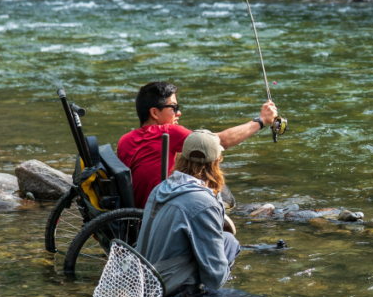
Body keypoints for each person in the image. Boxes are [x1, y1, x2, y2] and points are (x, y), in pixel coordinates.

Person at [117, 81, 277, 208]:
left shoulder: (125, 139)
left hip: (133, 218)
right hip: (155, 217)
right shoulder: (168, 132)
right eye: (174, 107)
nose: (178, 112)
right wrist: (261, 120)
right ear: (154, 113)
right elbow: (219, 142)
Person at [135, 130, 242, 297]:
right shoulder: (203, 202)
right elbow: (215, 278)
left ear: (182, 158)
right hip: (170, 292)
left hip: (142, 282)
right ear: (216, 162)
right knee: (230, 242)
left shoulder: (160, 189)